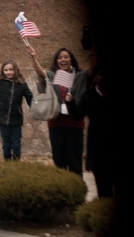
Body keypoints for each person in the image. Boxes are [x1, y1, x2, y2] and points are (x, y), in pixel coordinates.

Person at [26, 45, 88, 177]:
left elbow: (93, 72)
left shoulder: (80, 76)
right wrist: (33, 57)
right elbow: (41, 74)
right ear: (56, 61)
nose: (63, 59)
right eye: (60, 58)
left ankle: (76, 192)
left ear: (71, 59)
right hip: (56, 125)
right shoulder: (53, 76)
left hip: (74, 125)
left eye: (66, 57)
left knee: (75, 163)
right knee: (59, 162)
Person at [66, 65, 114, 197]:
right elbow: (78, 115)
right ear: (96, 77)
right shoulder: (89, 96)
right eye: (100, 74)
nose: (103, 78)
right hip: (98, 145)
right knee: (104, 189)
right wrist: (70, 103)